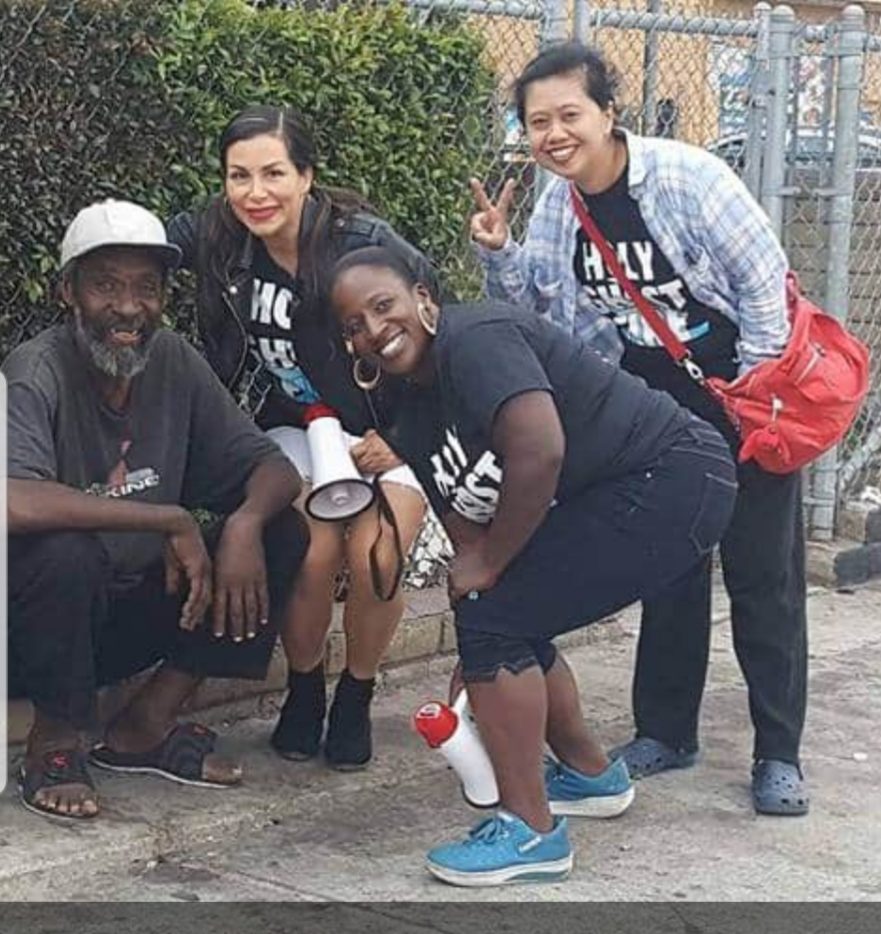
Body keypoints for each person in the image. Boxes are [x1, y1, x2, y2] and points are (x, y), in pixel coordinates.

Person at [468, 41, 809, 816]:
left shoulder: (688, 178)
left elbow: (764, 294)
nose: (552, 134)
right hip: (651, 406)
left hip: (743, 392)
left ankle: (777, 751)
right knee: (668, 567)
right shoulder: (560, 201)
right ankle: (665, 731)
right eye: (536, 122)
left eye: (568, 115)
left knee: (763, 577)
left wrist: (746, 404)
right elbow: (544, 311)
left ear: (607, 113)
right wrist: (499, 254)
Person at [328, 246, 737, 887]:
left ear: (424, 299)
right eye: (354, 324)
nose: (373, 330)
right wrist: (478, 605)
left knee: (500, 611)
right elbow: (465, 519)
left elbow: (540, 450)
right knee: (497, 610)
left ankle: (530, 832)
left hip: (675, 477)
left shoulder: (476, 340)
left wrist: (490, 582)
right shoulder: (411, 409)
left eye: (383, 306)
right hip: (634, 489)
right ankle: (588, 775)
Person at [5, 199, 310, 821]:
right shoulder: (36, 371)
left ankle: (146, 724)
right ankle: (54, 743)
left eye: (147, 288)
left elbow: (270, 467)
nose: (127, 307)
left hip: (128, 615)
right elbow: (13, 500)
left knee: (280, 527)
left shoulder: (172, 360)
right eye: (106, 286)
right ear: (69, 291)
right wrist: (169, 519)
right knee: (64, 552)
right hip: (37, 630)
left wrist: (245, 526)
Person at [167, 105, 429, 770]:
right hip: (291, 426)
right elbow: (140, 243)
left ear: (306, 176)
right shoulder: (218, 235)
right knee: (311, 551)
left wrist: (404, 437)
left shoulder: (364, 243)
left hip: (384, 426)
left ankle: (356, 696)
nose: (256, 193)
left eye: (274, 173)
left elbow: (437, 337)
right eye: (238, 175)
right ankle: (305, 689)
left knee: (377, 552)